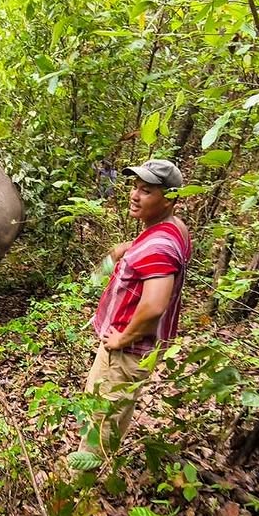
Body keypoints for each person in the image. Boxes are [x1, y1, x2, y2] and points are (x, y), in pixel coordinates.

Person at [81, 159, 192, 459]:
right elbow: (149, 254)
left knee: (100, 422)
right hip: (134, 349)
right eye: (135, 186)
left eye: (146, 191)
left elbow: (154, 306)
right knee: (112, 415)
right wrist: (120, 252)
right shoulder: (173, 229)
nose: (134, 195)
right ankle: (100, 467)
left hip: (125, 352)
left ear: (169, 199)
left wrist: (123, 338)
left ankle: (80, 480)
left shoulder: (158, 247)